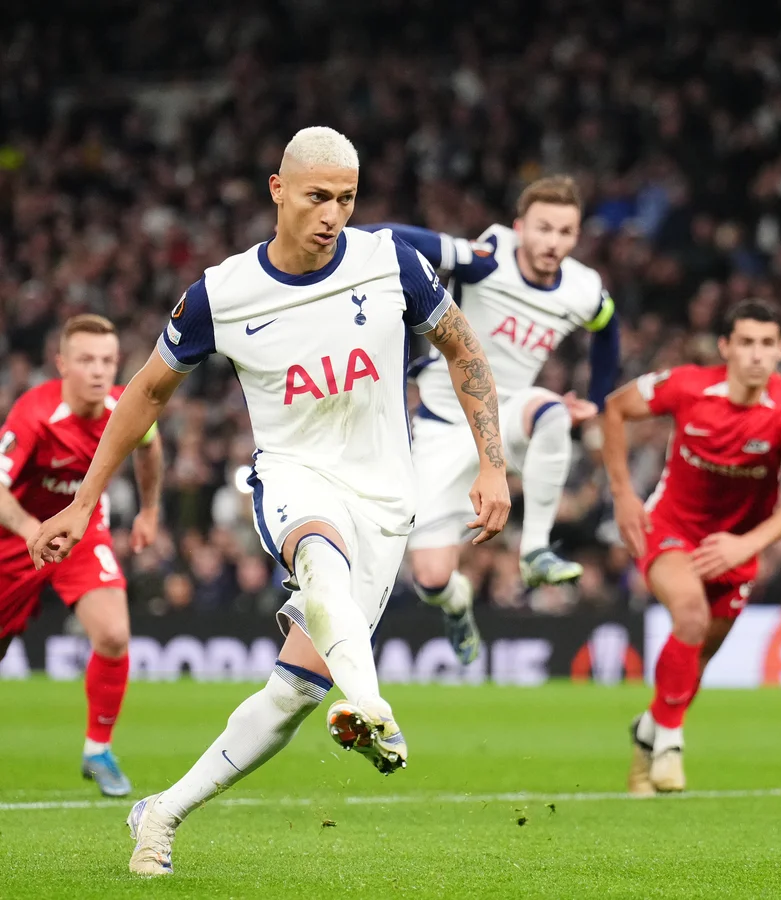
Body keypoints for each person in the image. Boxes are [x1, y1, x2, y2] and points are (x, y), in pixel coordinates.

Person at [28, 126, 510, 876]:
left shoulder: (391, 264)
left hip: (386, 499)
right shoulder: (221, 293)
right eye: (317, 196)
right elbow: (145, 392)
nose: (332, 214)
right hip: (293, 475)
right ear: (278, 190)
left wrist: (493, 465)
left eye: (347, 199)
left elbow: (463, 346)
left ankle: (160, 813)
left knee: (291, 697)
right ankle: (374, 707)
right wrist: (86, 499)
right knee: (319, 558)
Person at [362, 175, 620, 663]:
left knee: (550, 413)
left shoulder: (583, 289)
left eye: (565, 232)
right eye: (544, 228)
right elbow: (393, 239)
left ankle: (536, 550)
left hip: (508, 417)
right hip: (442, 428)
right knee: (432, 579)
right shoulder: (485, 260)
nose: (553, 242)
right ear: (520, 227)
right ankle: (457, 603)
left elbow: (608, 327)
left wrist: (599, 399)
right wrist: (343, 238)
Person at [600, 299, 781, 794]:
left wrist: (746, 546)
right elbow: (615, 408)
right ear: (725, 346)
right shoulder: (687, 385)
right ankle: (670, 745)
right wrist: (621, 494)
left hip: (737, 546)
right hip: (670, 527)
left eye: (768, 344)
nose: (756, 355)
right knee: (690, 615)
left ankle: (647, 731)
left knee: (698, 656)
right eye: (745, 342)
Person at [0, 314, 163, 797]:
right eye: (87, 360)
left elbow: (149, 447)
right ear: (62, 365)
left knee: (114, 634)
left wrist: (150, 511)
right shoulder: (33, 413)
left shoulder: (123, 406)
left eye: (108, 361)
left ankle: (98, 750)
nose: (99, 371)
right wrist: (33, 528)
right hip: (15, 539)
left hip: (82, 535)